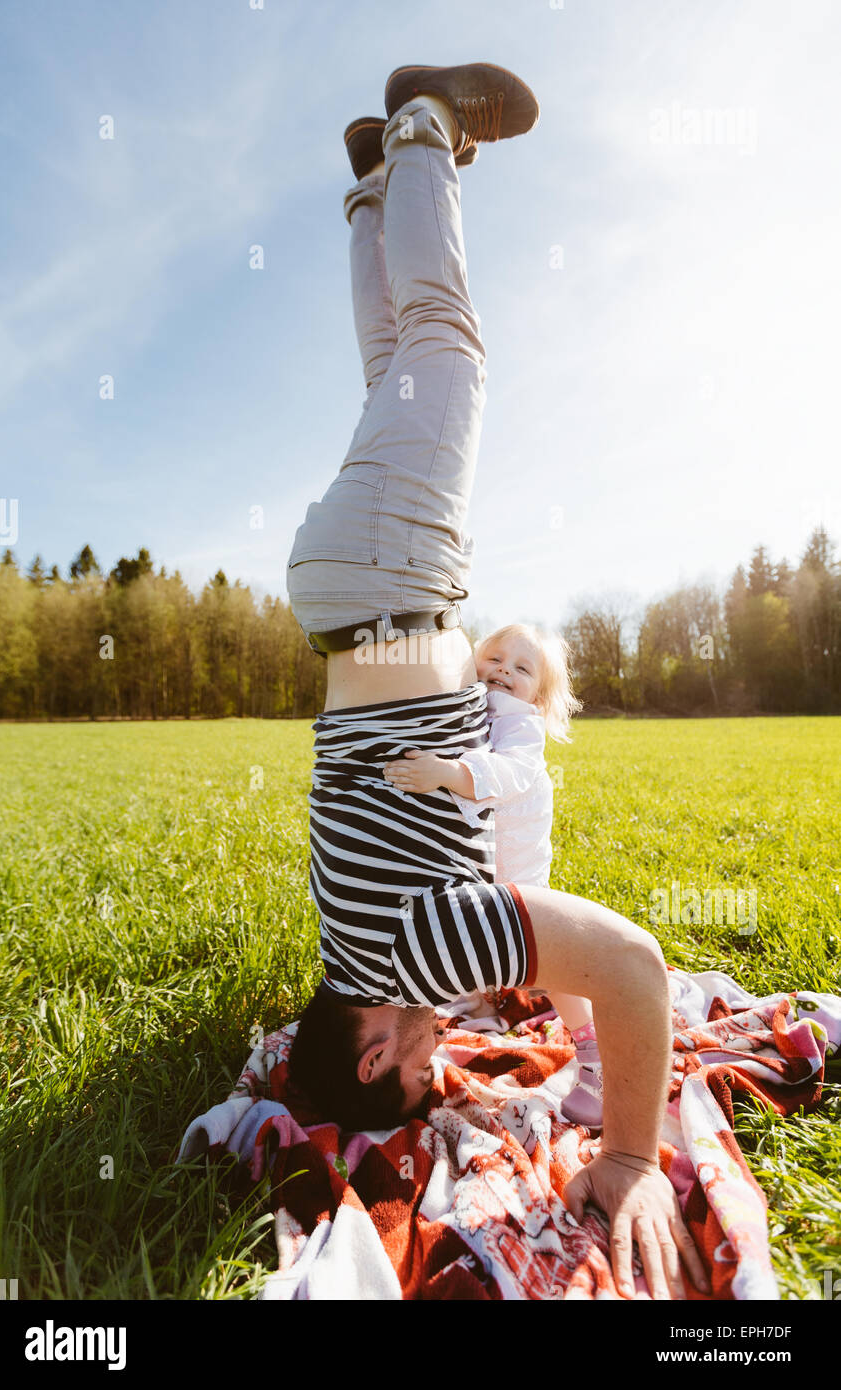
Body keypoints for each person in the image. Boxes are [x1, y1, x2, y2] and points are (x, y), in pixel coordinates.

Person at [284, 62, 708, 1300]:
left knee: (450, 348)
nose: (441, 1057)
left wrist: (628, 1154)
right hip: (336, 589)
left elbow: (629, 966)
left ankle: (423, 125)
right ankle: (373, 189)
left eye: (419, 1072)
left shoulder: (415, 956)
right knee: (400, 372)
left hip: (392, 570)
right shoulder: (341, 945)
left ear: (371, 1058)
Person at [381, 621, 605, 1129]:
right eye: (495, 658)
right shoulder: (472, 703)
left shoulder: (519, 721)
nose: (504, 670)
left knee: (551, 967)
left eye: (522, 668)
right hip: (479, 870)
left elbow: (510, 774)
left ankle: (596, 1055)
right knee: (465, 944)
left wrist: (446, 773)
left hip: (518, 874)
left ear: (538, 694)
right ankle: (449, 1011)